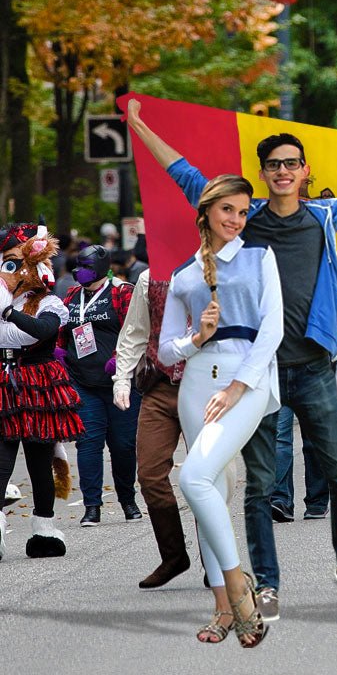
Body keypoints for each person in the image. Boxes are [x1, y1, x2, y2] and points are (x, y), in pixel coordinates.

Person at [127, 98, 337, 618]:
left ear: (305, 171)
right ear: (263, 174)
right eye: (274, 165)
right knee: (261, 487)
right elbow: (186, 176)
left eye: (292, 163)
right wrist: (139, 125)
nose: (283, 171)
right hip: (258, 372)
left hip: (313, 369)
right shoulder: (244, 219)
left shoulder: (324, 217)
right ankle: (267, 584)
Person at [159, 173, 280, 646]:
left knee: (193, 478)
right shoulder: (184, 275)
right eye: (228, 209)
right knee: (210, 491)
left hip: (245, 381)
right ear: (207, 210)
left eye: (243, 211)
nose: (236, 219)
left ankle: (238, 590)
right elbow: (166, 351)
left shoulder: (259, 256)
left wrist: (236, 387)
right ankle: (222, 610)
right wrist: (197, 338)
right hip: (196, 384)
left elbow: (272, 329)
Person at [0, 222, 81, 560]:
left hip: (37, 384)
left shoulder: (49, 302)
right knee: (2, 460)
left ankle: (44, 529)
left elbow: (42, 331)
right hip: (4, 383)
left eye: (13, 264)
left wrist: (8, 313)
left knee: (39, 462)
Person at [112, 270, 192, 588]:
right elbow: (134, 333)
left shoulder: (218, 269)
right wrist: (121, 379)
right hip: (159, 387)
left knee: (206, 477)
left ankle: (216, 560)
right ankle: (174, 556)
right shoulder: (149, 278)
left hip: (203, 387)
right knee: (149, 474)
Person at [60, 245, 141, 527]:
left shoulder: (122, 292)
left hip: (120, 382)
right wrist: (60, 351)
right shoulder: (72, 295)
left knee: (123, 445)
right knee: (88, 443)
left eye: (86, 266)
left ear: (101, 267)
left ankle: (128, 500)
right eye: (78, 265)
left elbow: (136, 330)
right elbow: (63, 330)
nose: (79, 271)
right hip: (83, 382)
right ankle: (92, 506)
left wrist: (120, 360)